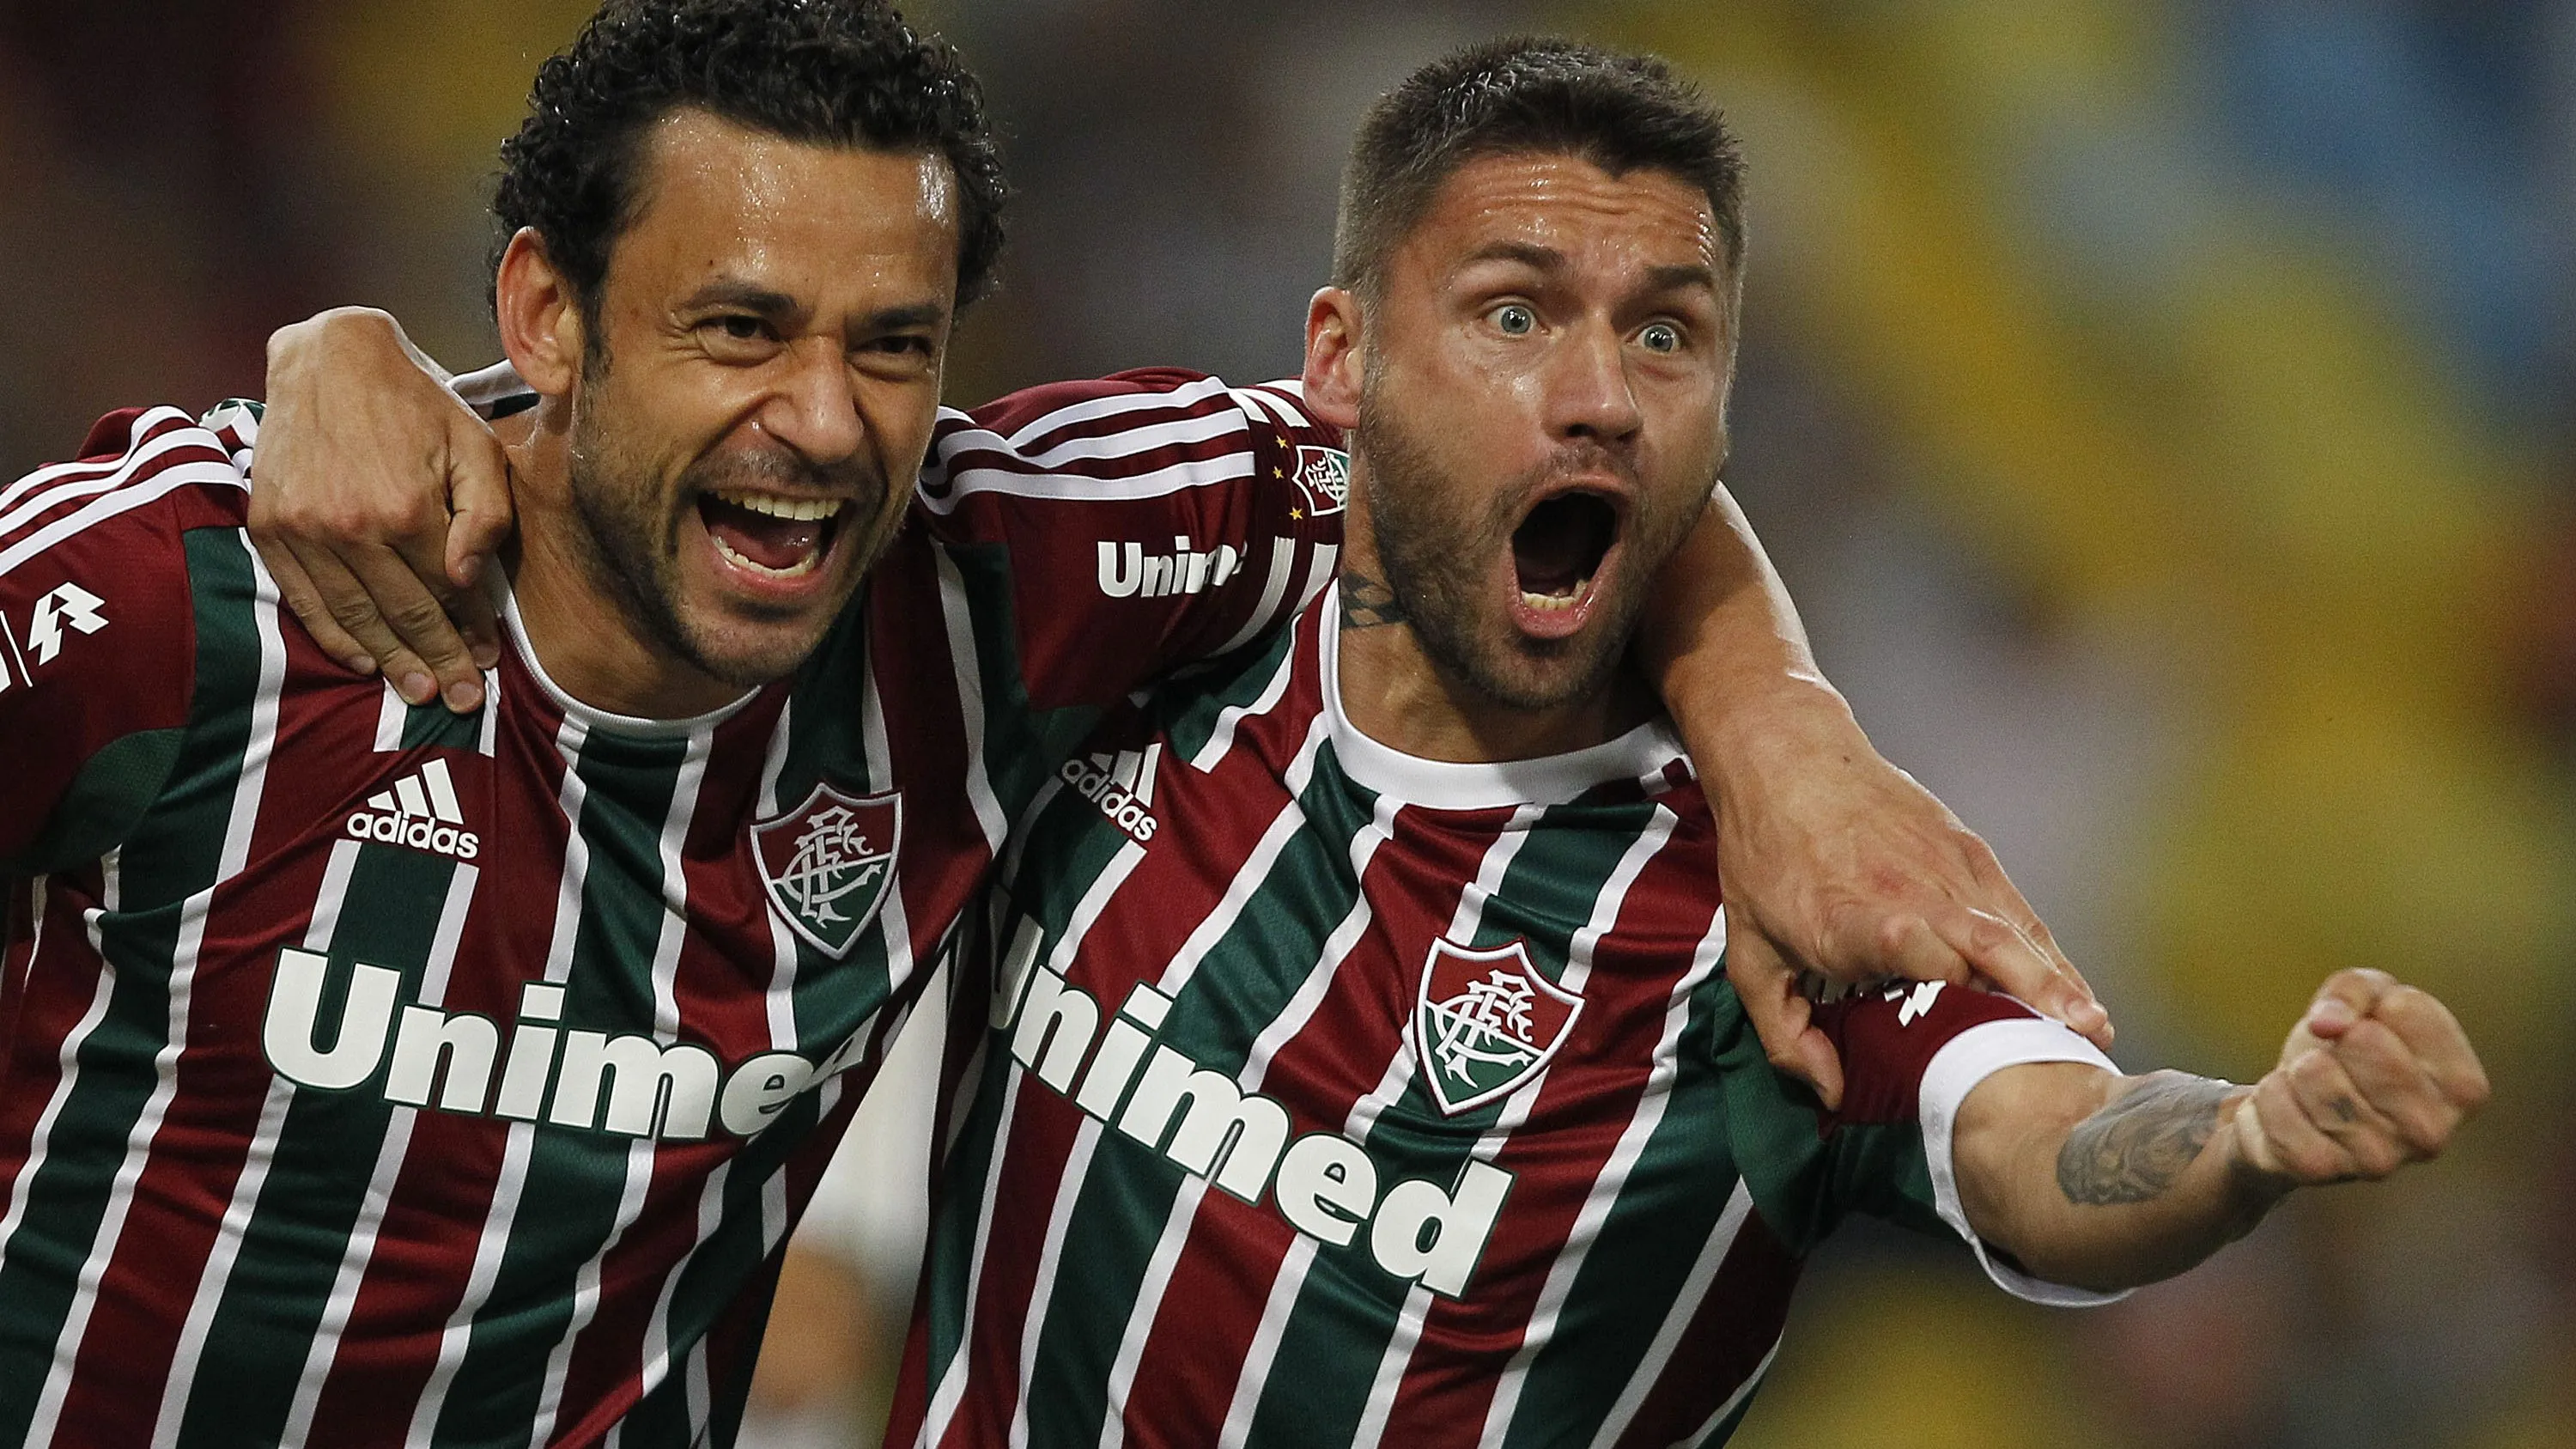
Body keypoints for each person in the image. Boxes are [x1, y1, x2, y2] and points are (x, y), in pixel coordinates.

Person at [0, 4, 2092, 1447]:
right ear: (543, 314)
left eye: (890, 346)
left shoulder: (1006, 576)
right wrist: (331, 350)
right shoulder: (197, 593)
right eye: (738, 329)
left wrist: (1782, 731)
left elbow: (1507, 456)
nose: (821, 424)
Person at [876, 40, 2489, 1446]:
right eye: (1516, 312)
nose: (1601, 395)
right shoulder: (1157, 626)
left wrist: (2243, 1143)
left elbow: (2041, 1145)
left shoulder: (1772, 895)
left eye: (1667, 335)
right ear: (1343, 356)